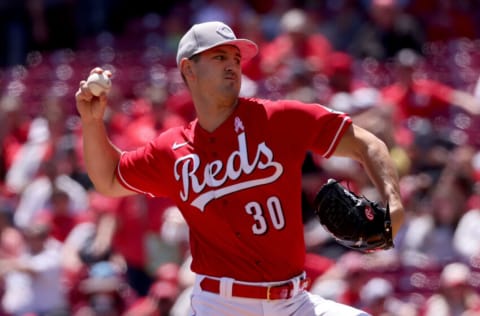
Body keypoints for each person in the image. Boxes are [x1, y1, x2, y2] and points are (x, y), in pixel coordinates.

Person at [75, 21, 404, 316]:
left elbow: (367, 144)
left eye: (235, 58)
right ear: (189, 69)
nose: (232, 66)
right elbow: (109, 178)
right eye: (219, 58)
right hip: (219, 305)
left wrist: (393, 199)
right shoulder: (171, 150)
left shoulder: (278, 119)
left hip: (293, 303)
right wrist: (92, 123)